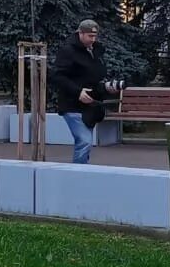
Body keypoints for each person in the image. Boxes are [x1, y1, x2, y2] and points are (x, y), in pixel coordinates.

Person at [49, 19, 121, 165]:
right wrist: (77, 92)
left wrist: (107, 87)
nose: (93, 40)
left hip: (90, 106)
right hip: (72, 105)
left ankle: (82, 170)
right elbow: (57, 76)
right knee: (85, 141)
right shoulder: (68, 51)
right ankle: (78, 174)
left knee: (84, 144)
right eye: (90, 36)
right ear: (80, 33)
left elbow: (94, 78)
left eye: (95, 36)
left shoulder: (95, 51)